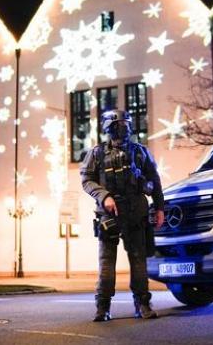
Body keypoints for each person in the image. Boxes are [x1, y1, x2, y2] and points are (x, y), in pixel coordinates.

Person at [80, 109, 165, 322]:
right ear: (109, 128)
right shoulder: (97, 153)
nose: (124, 129)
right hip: (109, 214)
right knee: (106, 264)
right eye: (119, 125)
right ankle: (103, 307)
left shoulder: (140, 152)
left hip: (136, 213)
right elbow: (87, 180)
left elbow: (154, 181)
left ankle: (143, 304)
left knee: (139, 262)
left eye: (126, 125)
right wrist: (104, 196)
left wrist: (160, 207)